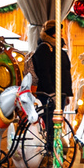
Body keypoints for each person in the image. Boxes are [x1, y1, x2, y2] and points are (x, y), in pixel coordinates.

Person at [31, 21, 73, 150]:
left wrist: (66, 93)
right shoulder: (45, 48)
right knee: (50, 122)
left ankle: (54, 146)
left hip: (60, 92)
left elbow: (64, 72)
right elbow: (44, 73)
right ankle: (51, 148)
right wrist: (51, 92)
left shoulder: (57, 49)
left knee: (55, 122)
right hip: (50, 92)